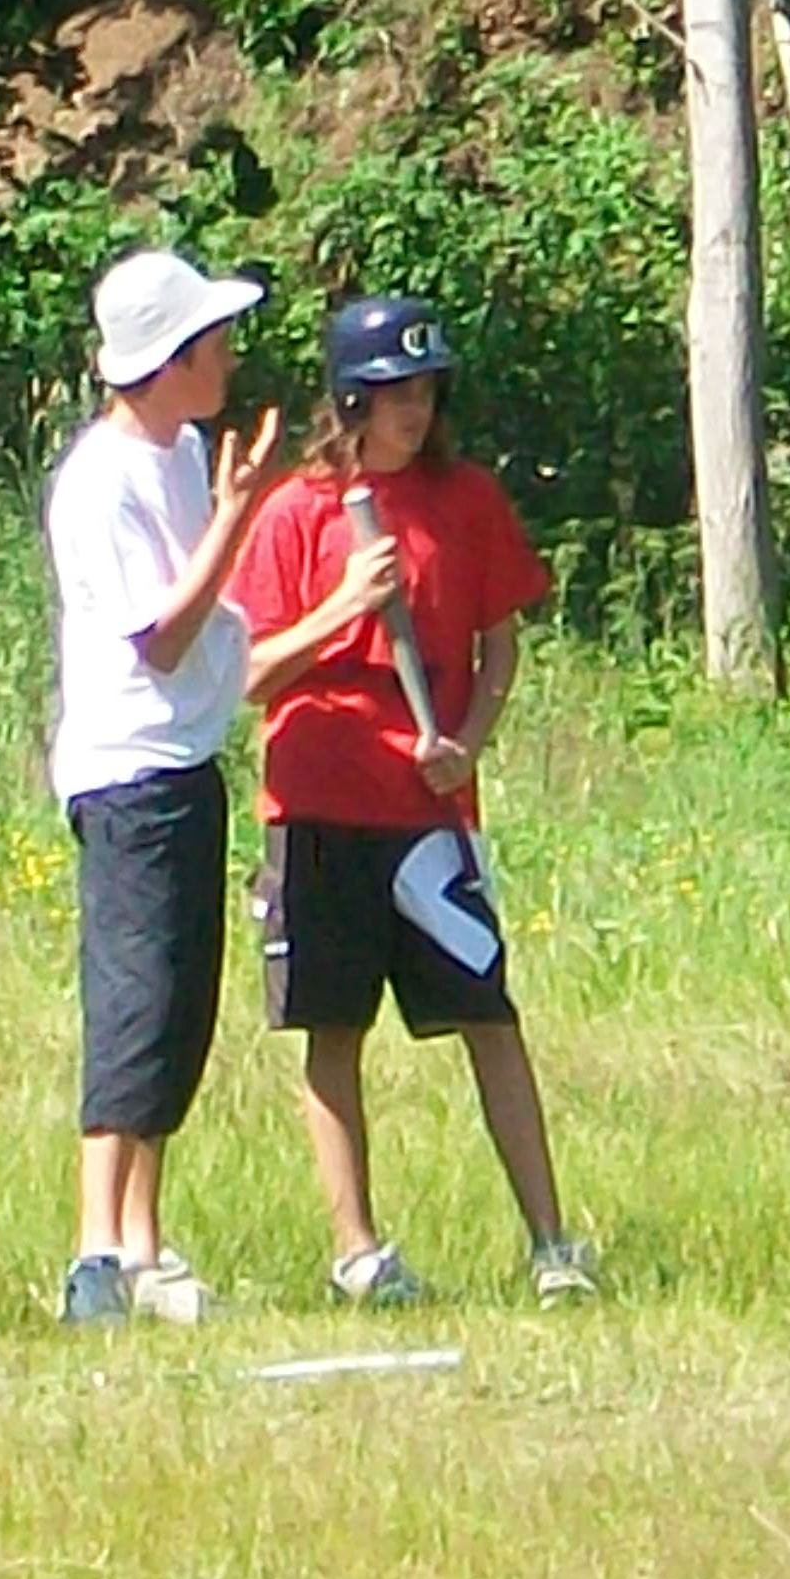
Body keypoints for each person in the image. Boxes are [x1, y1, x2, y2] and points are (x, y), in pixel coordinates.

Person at [229, 296, 599, 1309]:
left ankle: (551, 1242)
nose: (415, 410)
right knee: (332, 1024)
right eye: (396, 392)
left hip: (430, 817)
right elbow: (248, 674)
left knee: (487, 1014)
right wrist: (342, 606)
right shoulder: (297, 512)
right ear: (350, 397)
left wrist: (467, 742)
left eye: (428, 390)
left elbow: (500, 643)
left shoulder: (466, 499)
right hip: (316, 806)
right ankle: (356, 1250)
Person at [43, 246, 286, 1327]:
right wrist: (235, 516)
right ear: (168, 359)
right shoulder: (99, 482)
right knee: (134, 1001)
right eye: (213, 342)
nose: (229, 357)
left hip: (186, 762)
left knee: (181, 1008)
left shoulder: (182, 451)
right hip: (127, 773)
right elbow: (162, 636)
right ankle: (94, 1253)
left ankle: (143, 1245)